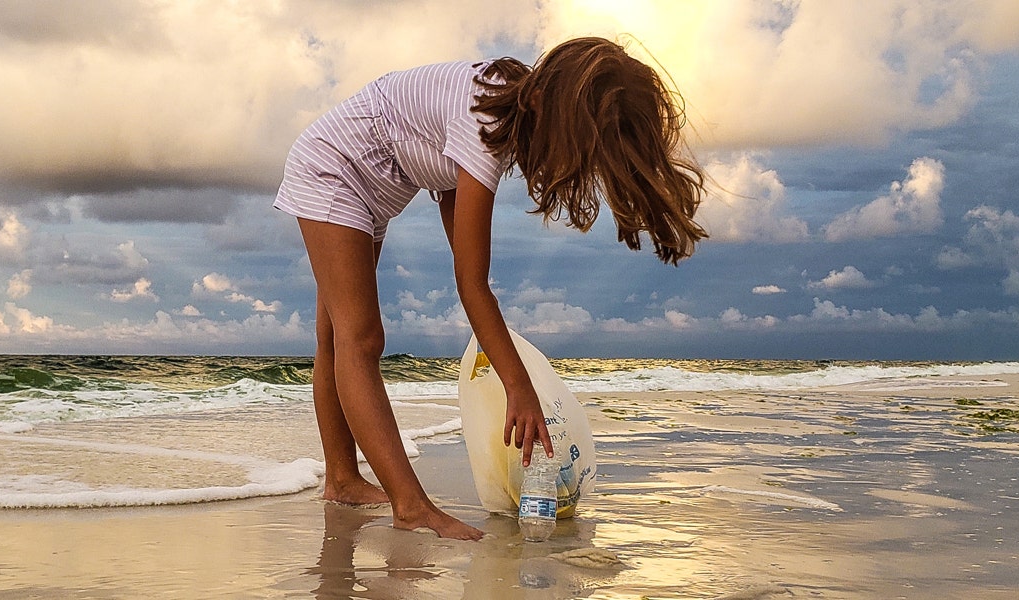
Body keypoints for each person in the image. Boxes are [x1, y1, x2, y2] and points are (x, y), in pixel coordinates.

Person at [272, 37, 707, 540]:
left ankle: (343, 480)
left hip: (368, 186)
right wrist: (517, 389)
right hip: (333, 170)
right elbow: (472, 284)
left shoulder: (503, 102)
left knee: (336, 337)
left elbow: (450, 204)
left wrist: (497, 347)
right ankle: (410, 506)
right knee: (360, 337)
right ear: (555, 107)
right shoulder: (486, 127)